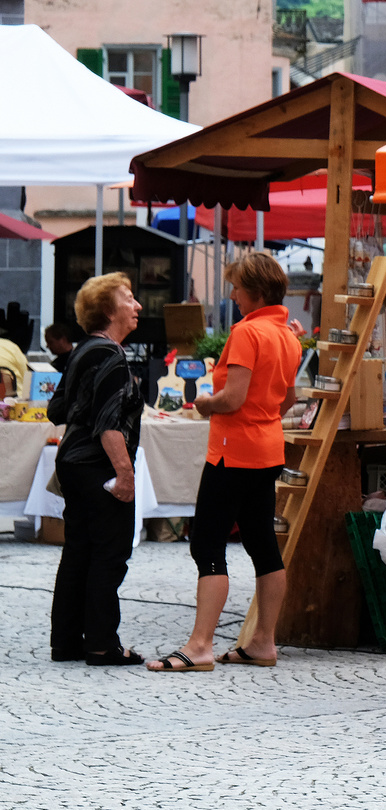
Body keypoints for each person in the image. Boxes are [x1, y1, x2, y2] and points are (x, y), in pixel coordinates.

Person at [148, 253, 301, 673]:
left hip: (233, 450)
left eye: (236, 288)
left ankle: (200, 644)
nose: (233, 295)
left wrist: (203, 402)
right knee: (262, 544)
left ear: (254, 292)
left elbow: (231, 399)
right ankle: (264, 642)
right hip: (268, 449)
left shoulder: (248, 332)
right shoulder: (288, 335)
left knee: (208, 544)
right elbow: (288, 398)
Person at [47, 273, 145, 666]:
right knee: (110, 553)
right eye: (129, 298)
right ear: (108, 310)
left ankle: (67, 642)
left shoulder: (82, 351)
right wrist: (125, 474)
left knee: (78, 552)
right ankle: (103, 644)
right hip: (98, 467)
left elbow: (57, 411)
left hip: (72, 463)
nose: (137, 305)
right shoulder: (111, 355)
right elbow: (108, 424)